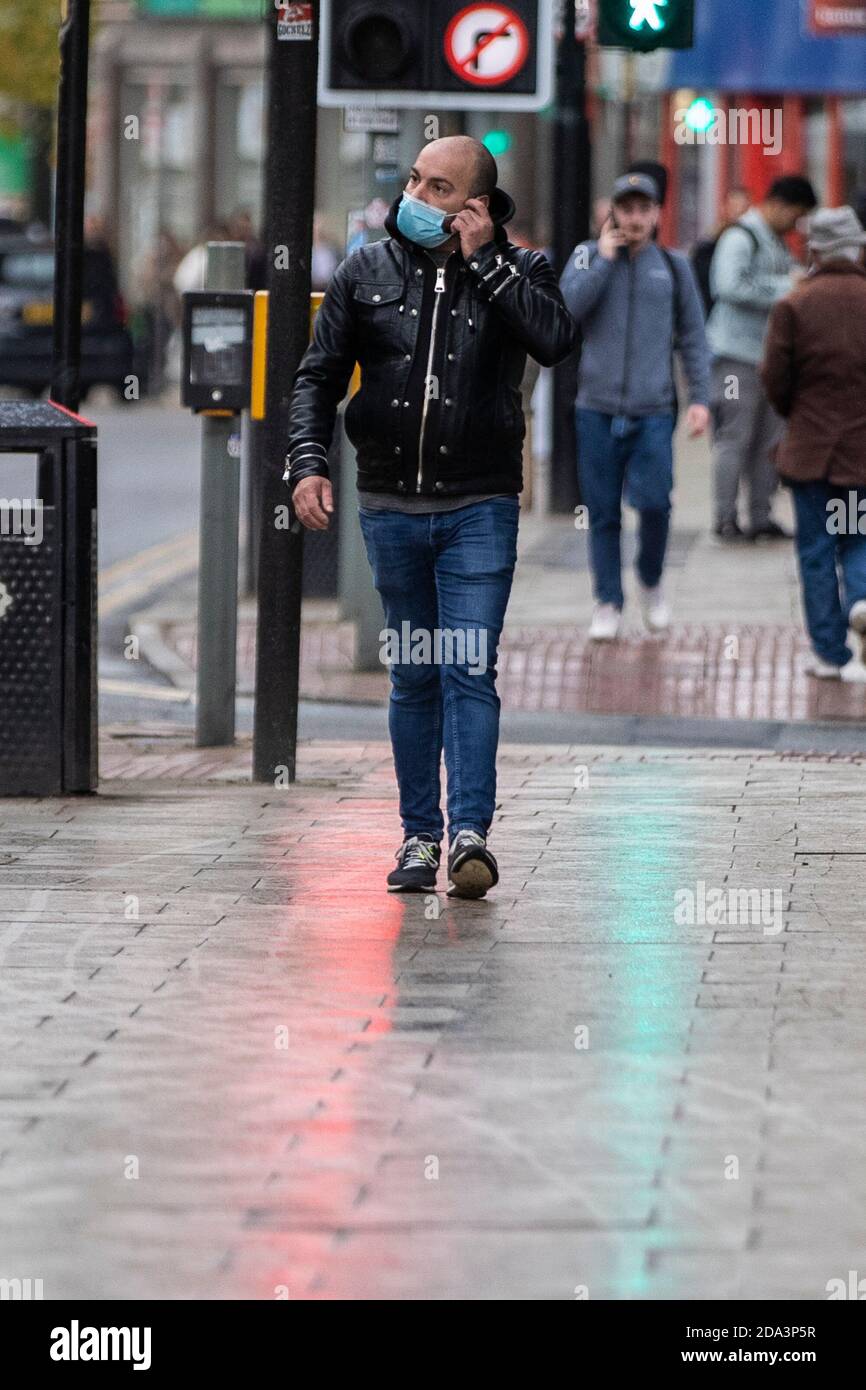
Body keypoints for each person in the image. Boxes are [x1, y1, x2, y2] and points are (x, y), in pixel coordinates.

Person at [285, 136, 576, 897]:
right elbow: (318, 376)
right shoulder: (365, 270)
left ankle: (470, 835)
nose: (416, 195)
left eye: (438, 187)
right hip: (390, 507)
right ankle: (419, 837)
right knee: (414, 674)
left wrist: (486, 262)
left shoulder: (521, 271)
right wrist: (308, 463)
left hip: (478, 503)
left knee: (468, 668)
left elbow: (554, 341)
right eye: (415, 179)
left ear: (476, 205)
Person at [559, 172, 711, 642]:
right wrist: (602, 262)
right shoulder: (587, 256)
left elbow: (693, 335)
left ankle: (651, 579)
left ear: (656, 213)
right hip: (596, 409)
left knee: (655, 504)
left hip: (653, 410)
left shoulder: (673, 265)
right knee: (602, 512)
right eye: (627, 209)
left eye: (644, 209)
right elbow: (565, 311)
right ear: (614, 212)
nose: (636, 218)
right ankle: (608, 600)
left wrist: (701, 399)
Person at [760, 206, 866, 683]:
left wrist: (795, 413)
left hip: (811, 452)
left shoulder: (794, 304)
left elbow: (773, 378)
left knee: (817, 550)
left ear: (815, 250)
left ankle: (829, 652)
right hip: (861, 455)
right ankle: (862, 604)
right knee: (859, 540)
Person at [708, 174, 817, 542]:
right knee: (735, 437)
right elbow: (729, 286)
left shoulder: (775, 242)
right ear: (779, 205)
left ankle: (760, 516)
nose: (796, 224)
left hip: (769, 359)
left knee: (769, 441)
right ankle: (724, 518)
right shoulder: (741, 237)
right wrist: (788, 287)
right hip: (736, 358)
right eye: (796, 215)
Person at [691, 187, 751, 318]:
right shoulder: (708, 246)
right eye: (734, 207)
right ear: (724, 209)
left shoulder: (752, 245)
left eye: (744, 208)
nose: (739, 213)